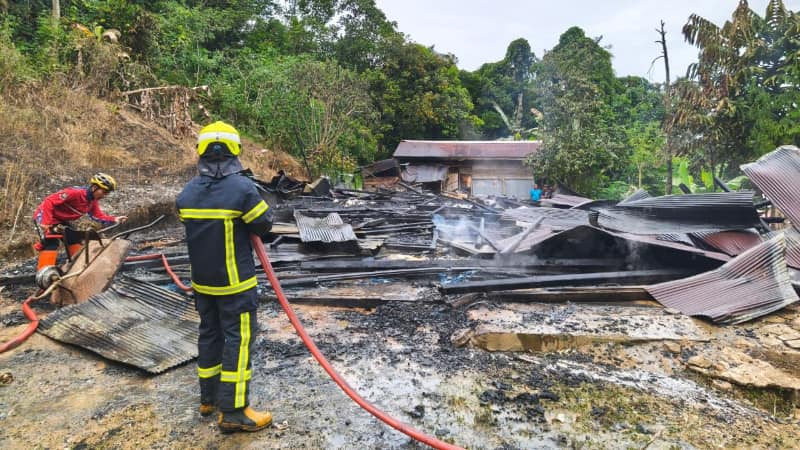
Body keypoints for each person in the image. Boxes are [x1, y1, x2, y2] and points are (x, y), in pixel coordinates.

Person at [176, 121, 274, 434]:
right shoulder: (243, 189)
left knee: (210, 335)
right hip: (235, 286)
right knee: (238, 341)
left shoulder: (187, 193)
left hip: (202, 284)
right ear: (235, 151)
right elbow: (264, 224)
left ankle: (208, 399)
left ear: (201, 151)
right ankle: (233, 411)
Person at [33, 172, 127, 272]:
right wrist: (46, 222)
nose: (104, 195)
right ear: (94, 187)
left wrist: (114, 219)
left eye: (107, 193)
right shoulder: (75, 193)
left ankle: (76, 268)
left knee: (73, 239)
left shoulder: (92, 201)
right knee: (51, 243)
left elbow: (97, 216)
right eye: (103, 192)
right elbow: (49, 201)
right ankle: (44, 275)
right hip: (46, 215)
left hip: (62, 220)